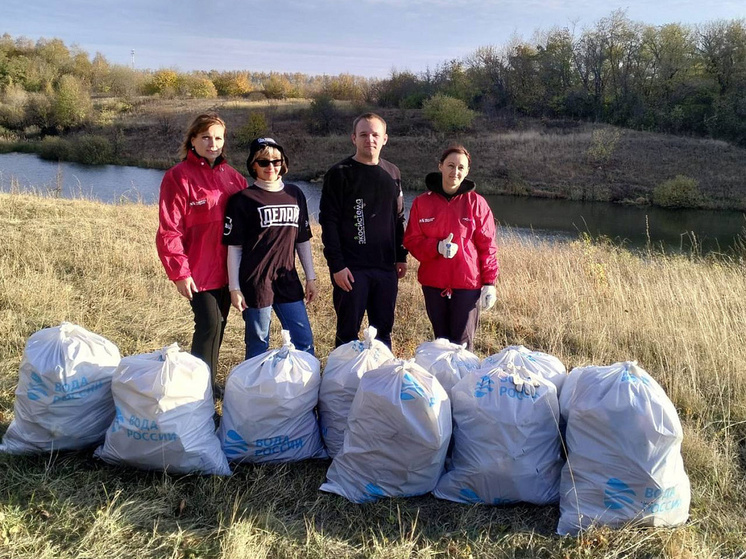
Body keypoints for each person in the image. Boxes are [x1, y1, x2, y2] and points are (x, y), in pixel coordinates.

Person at [156, 113, 247, 395]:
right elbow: (169, 229)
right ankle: (198, 392)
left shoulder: (233, 178)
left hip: (229, 271)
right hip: (197, 271)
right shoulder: (178, 177)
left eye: (218, 137)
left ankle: (207, 382)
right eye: (206, 137)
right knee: (207, 325)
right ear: (193, 139)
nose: (212, 143)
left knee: (220, 325)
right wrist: (179, 272)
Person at [319, 113, 407, 350]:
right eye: (364, 134)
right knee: (347, 334)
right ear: (353, 138)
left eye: (375, 134)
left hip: (385, 268)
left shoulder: (393, 172)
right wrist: (336, 265)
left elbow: (398, 218)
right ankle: (342, 385)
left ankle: (379, 383)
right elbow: (328, 222)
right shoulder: (339, 173)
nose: (370, 139)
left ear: (385, 138)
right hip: (351, 269)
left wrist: (401, 256)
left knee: (383, 332)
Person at [223, 137, 316, 359]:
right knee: (258, 343)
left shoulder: (295, 194)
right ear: (253, 164)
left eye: (276, 161)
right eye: (263, 162)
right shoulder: (243, 199)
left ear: (283, 162)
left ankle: (304, 389)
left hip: (288, 279)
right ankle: (254, 390)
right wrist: (234, 288)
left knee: (303, 340)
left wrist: (310, 278)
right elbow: (234, 248)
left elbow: (302, 240)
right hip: (256, 281)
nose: (270, 167)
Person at [403, 145, 498, 350]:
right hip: (433, 284)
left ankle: (464, 381)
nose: (455, 172)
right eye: (450, 165)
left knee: (462, 346)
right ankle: (442, 380)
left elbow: (488, 246)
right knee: (440, 343)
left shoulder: (477, 203)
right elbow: (411, 240)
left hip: (467, 285)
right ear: (440, 166)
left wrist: (490, 282)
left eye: (461, 167)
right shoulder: (422, 202)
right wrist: (436, 247)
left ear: (467, 171)